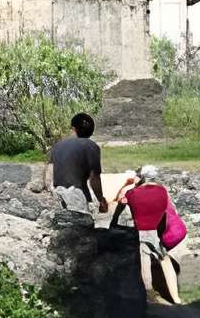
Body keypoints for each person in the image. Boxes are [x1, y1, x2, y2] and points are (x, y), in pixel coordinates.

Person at [112, 163, 183, 304]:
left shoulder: (132, 193)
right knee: (165, 261)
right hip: (156, 232)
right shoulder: (162, 191)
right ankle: (176, 298)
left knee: (144, 264)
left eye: (137, 175)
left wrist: (113, 220)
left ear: (142, 177)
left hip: (141, 233)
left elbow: (121, 202)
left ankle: (148, 296)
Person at [48, 111, 106, 217]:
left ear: (73, 129)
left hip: (58, 198)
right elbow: (94, 178)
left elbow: (49, 175)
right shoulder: (91, 146)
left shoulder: (57, 146)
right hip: (79, 199)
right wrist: (101, 200)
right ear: (92, 131)